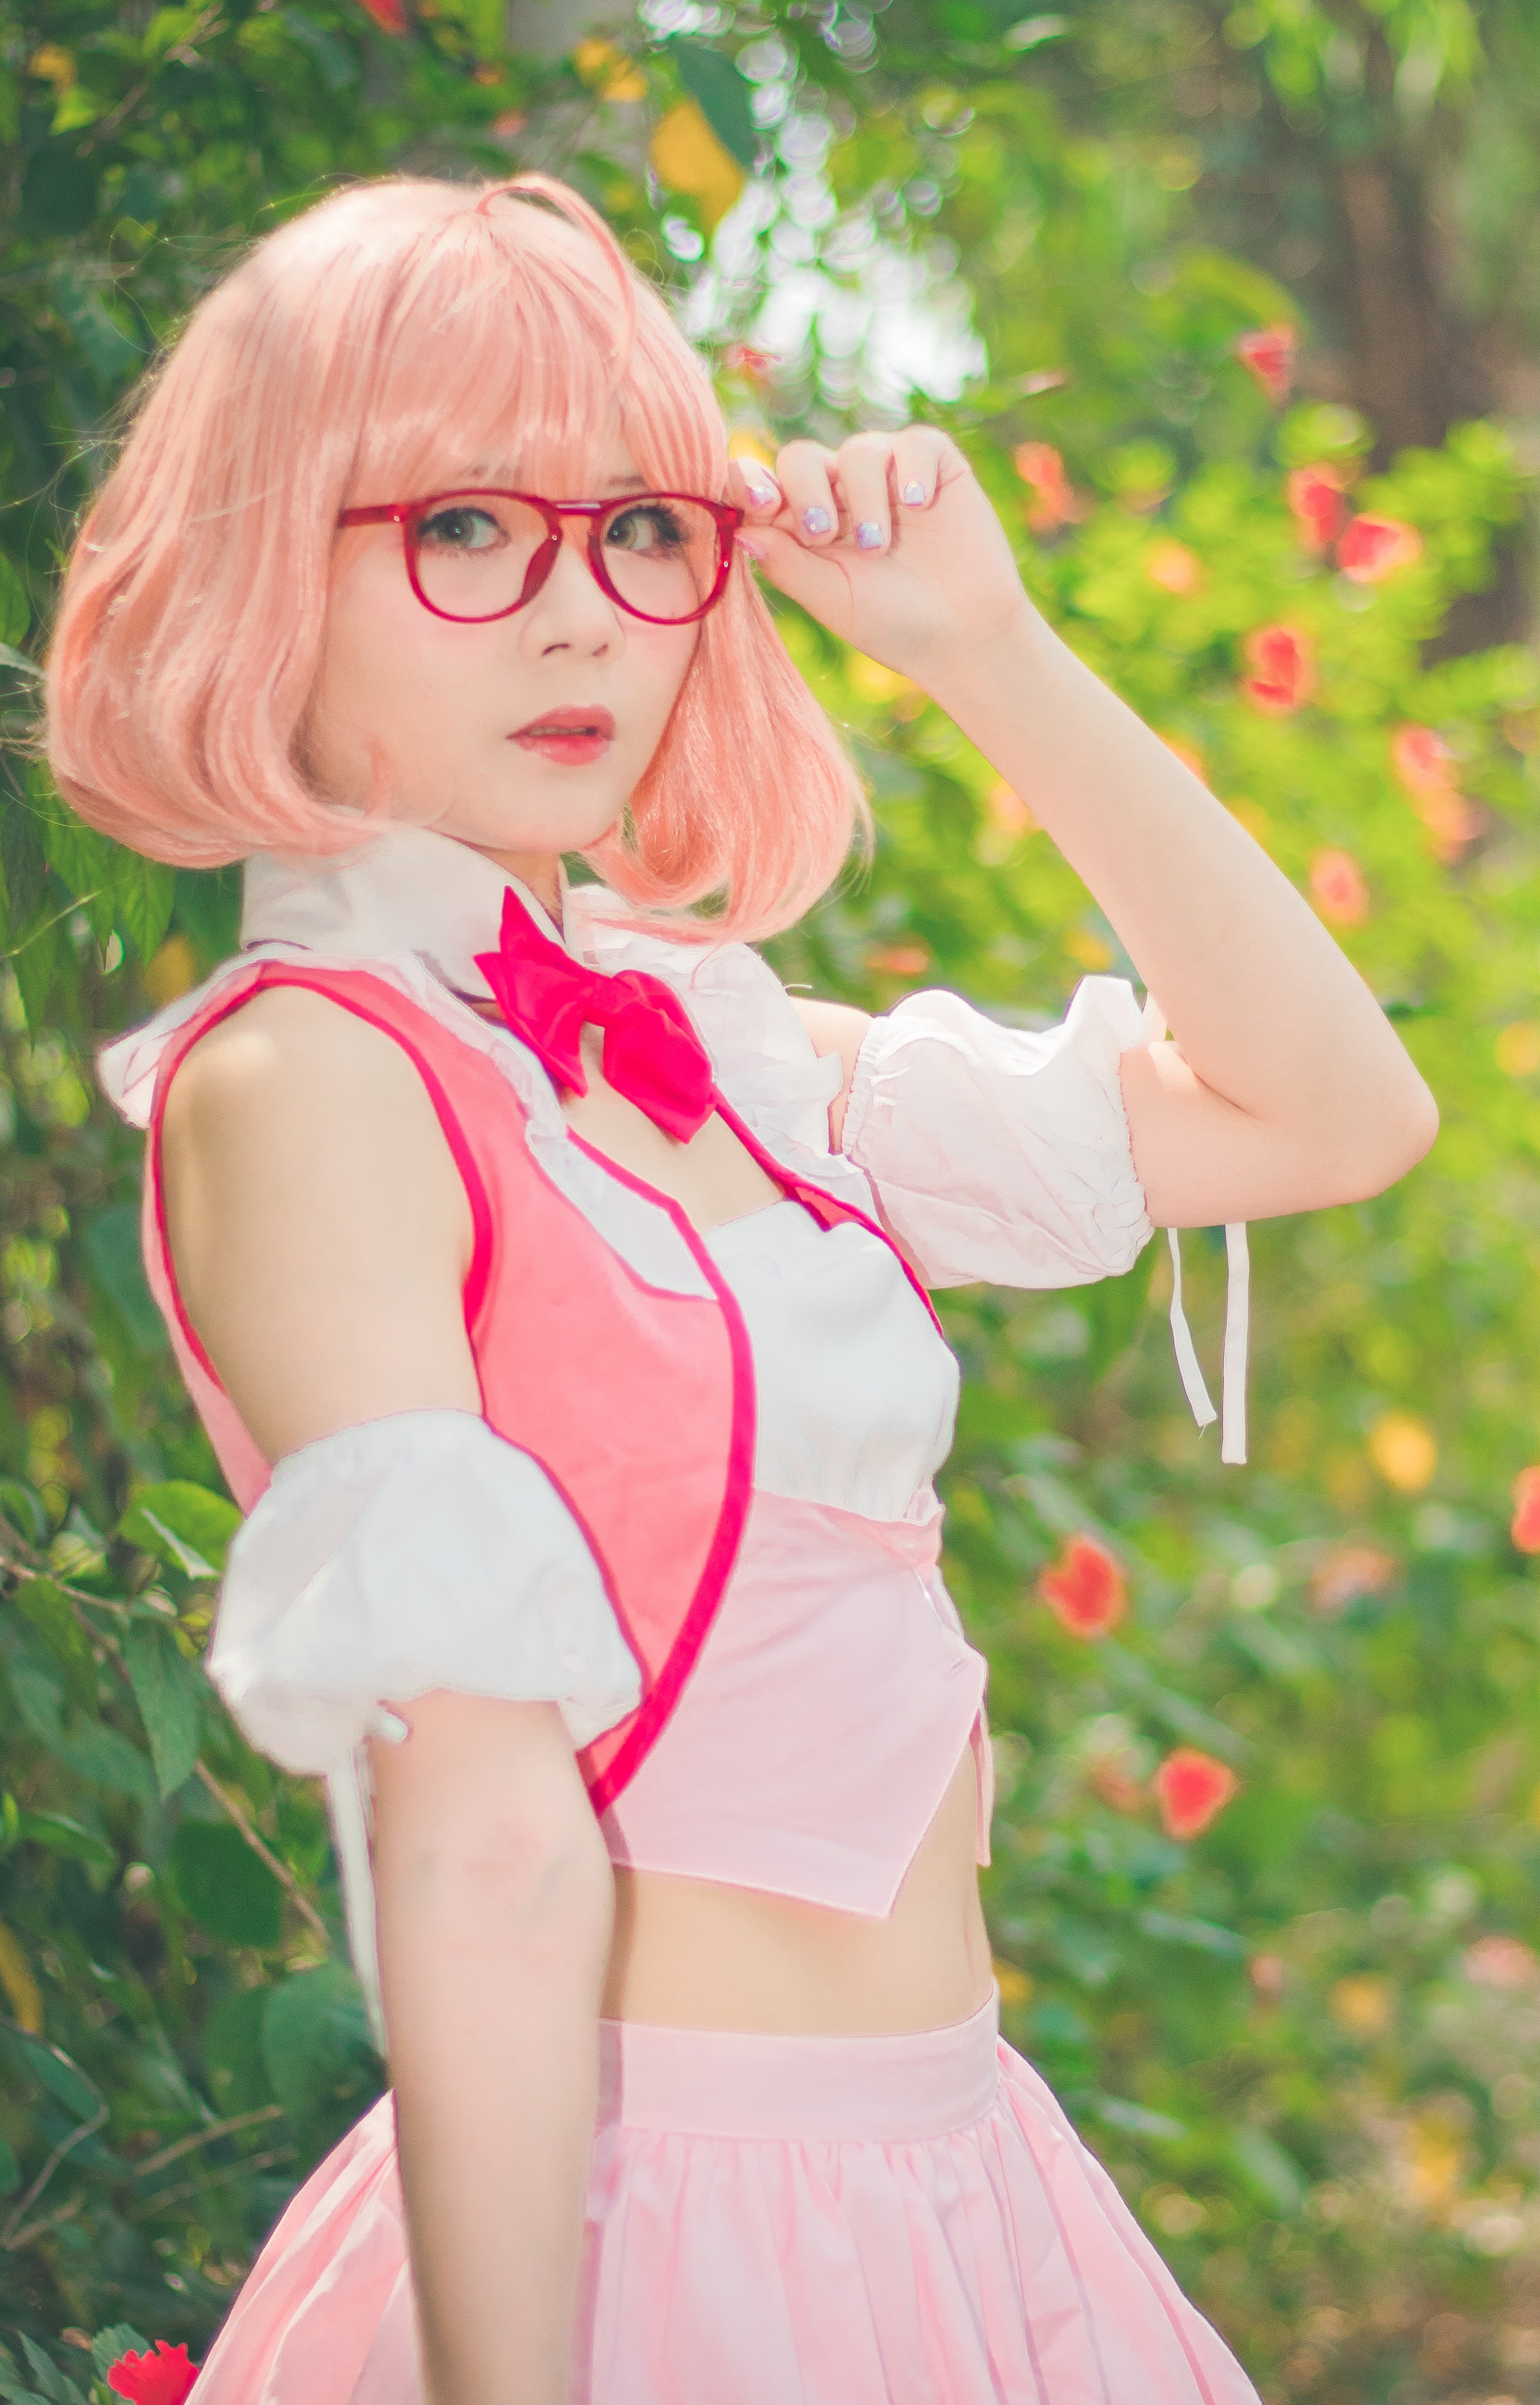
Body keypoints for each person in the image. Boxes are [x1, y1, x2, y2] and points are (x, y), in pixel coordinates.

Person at [46, 173, 1437, 2405]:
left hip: (971, 2192)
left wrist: (993, 651)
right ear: (262, 560)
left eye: (638, 531)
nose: (579, 619)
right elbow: (486, 1843)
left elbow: (1330, 1114)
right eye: (467, 530)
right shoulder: (312, 1077)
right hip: (648, 2241)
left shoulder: (726, 1043)